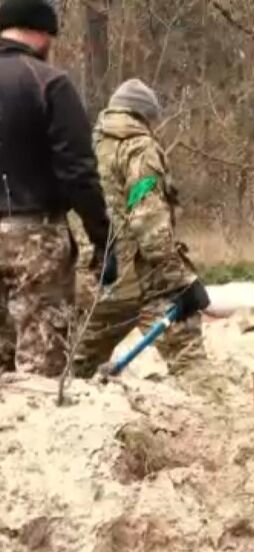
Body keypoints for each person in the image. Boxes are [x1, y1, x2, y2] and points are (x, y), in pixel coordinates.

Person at [0, 0, 116, 376]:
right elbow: (78, 172)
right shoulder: (48, 82)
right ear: (40, 32)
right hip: (35, 238)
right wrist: (103, 236)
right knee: (40, 371)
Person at [70, 78, 211, 378]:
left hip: (94, 284)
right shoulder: (139, 149)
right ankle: (224, 418)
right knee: (191, 364)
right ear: (144, 116)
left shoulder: (87, 147)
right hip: (141, 283)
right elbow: (149, 226)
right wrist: (182, 283)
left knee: (72, 374)